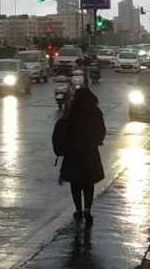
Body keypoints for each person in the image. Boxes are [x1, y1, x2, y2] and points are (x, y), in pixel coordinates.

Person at [53, 88, 106, 224]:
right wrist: (95, 141)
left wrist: (61, 150)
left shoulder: (71, 113)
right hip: (90, 153)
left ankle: (78, 210)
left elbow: (60, 131)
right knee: (88, 183)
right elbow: (101, 131)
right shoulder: (96, 112)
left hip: (73, 154)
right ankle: (87, 210)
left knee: (75, 183)